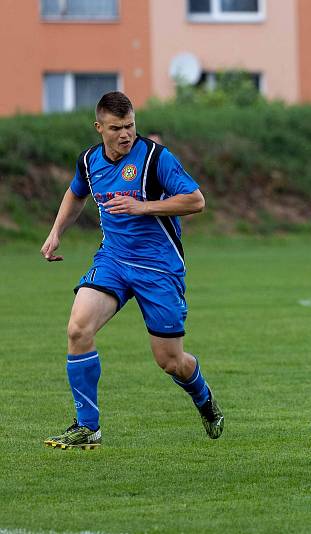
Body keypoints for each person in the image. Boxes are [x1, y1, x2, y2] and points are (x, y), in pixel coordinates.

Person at [40, 91, 224, 449]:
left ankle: (203, 398)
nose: (125, 134)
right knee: (78, 329)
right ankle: (87, 426)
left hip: (158, 269)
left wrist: (143, 207)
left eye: (130, 126)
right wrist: (56, 232)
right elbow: (76, 193)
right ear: (99, 128)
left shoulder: (156, 159)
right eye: (116, 128)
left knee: (170, 362)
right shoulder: (90, 161)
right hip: (113, 260)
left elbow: (196, 200)